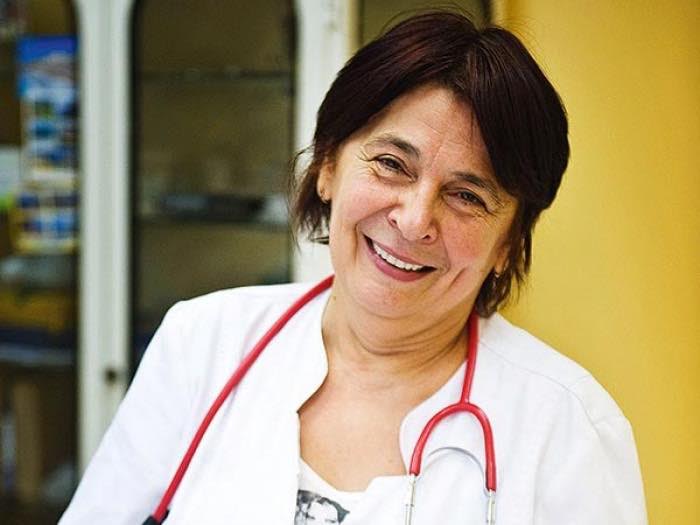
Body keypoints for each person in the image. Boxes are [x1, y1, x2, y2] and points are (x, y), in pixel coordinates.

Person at [59, 10, 647, 524]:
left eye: (468, 196)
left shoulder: (567, 428)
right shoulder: (202, 344)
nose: (415, 221)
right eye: (392, 164)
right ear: (328, 166)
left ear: (508, 244)